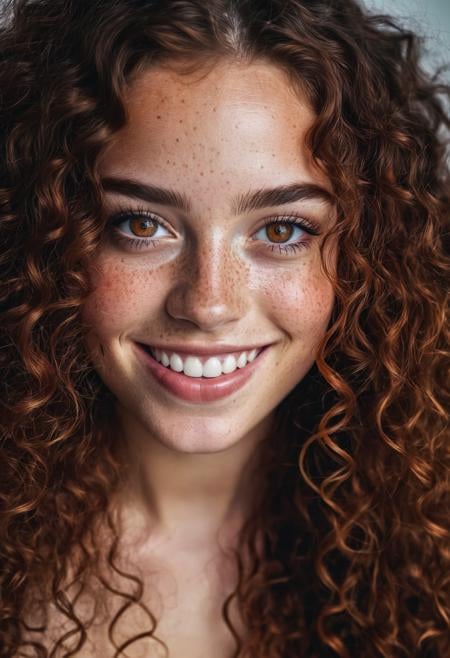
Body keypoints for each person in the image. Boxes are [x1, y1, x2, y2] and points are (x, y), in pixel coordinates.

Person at [0, 0, 448, 656]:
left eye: (282, 230)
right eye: (141, 224)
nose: (209, 303)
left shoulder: (431, 536)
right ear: (42, 235)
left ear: (372, 253)